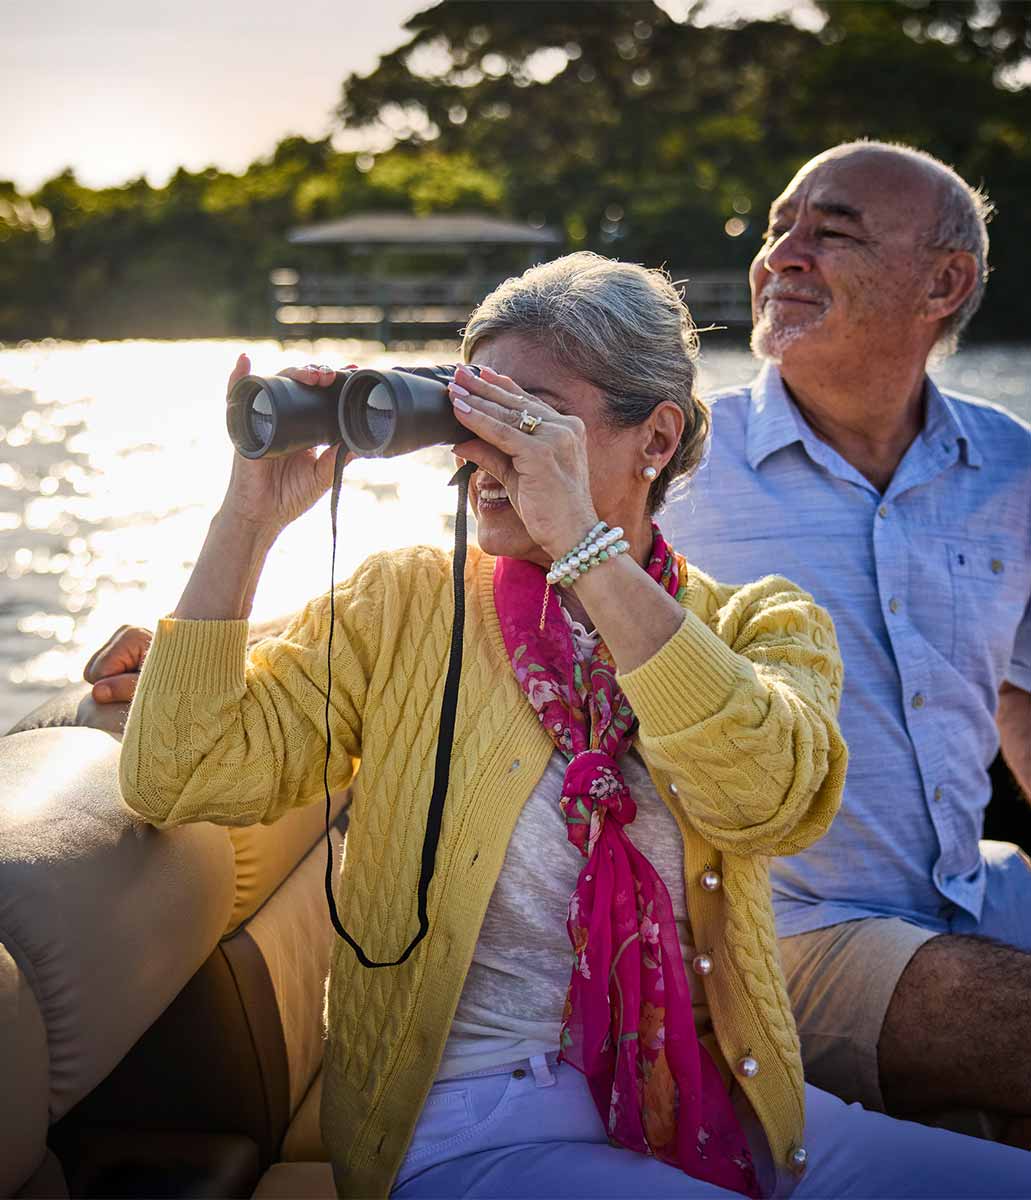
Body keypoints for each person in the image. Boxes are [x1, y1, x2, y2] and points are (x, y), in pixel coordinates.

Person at [111, 252, 1031, 1198]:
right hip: (470, 1125)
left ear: (655, 438)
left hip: (717, 1101)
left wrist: (580, 547)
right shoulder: (408, 605)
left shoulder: (761, 624)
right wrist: (248, 519)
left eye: (529, 418)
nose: (481, 450)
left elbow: (768, 804)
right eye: (471, 411)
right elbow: (182, 774)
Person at [658, 141, 1031, 1139]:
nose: (783, 252)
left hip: (965, 890)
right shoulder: (668, 461)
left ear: (942, 283)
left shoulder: (1010, 465)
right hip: (764, 934)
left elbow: (1020, 699)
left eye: (831, 231)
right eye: (778, 227)